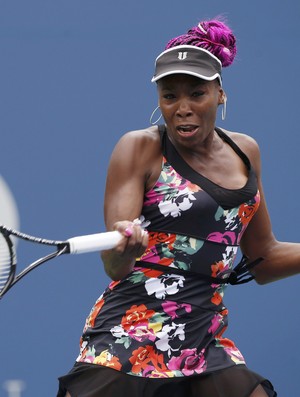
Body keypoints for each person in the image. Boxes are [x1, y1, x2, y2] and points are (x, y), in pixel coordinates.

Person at [57, 17, 299, 397]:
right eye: (170, 96)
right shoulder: (138, 147)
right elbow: (115, 265)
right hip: (129, 333)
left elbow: (263, 259)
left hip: (205, 337)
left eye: (196, 94)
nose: (182, 108)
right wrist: (126, 246)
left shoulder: (245, 151)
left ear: (219, 93)